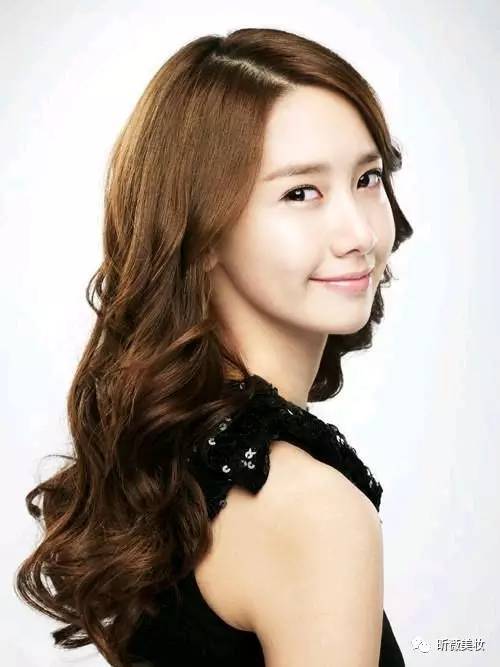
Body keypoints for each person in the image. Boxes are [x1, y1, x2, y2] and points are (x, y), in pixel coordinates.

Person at [15, 27, 413, 667]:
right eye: (301, 192)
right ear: (199, 233)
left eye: (368, 178)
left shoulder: (179, 449)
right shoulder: (312, 511)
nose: (359, 233)